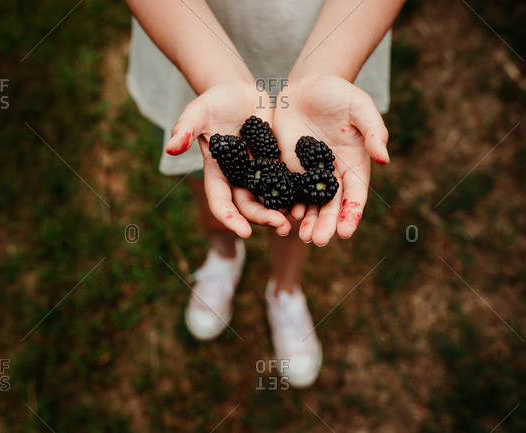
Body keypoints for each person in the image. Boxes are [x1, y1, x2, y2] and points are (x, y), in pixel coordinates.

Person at [125, 0, 404, 388]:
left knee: (292, 215)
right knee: (210, 187)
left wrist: (327, 68)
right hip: (188, 43)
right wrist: (215, 74)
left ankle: (285, 290)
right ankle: (224, 256)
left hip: (336, 36)